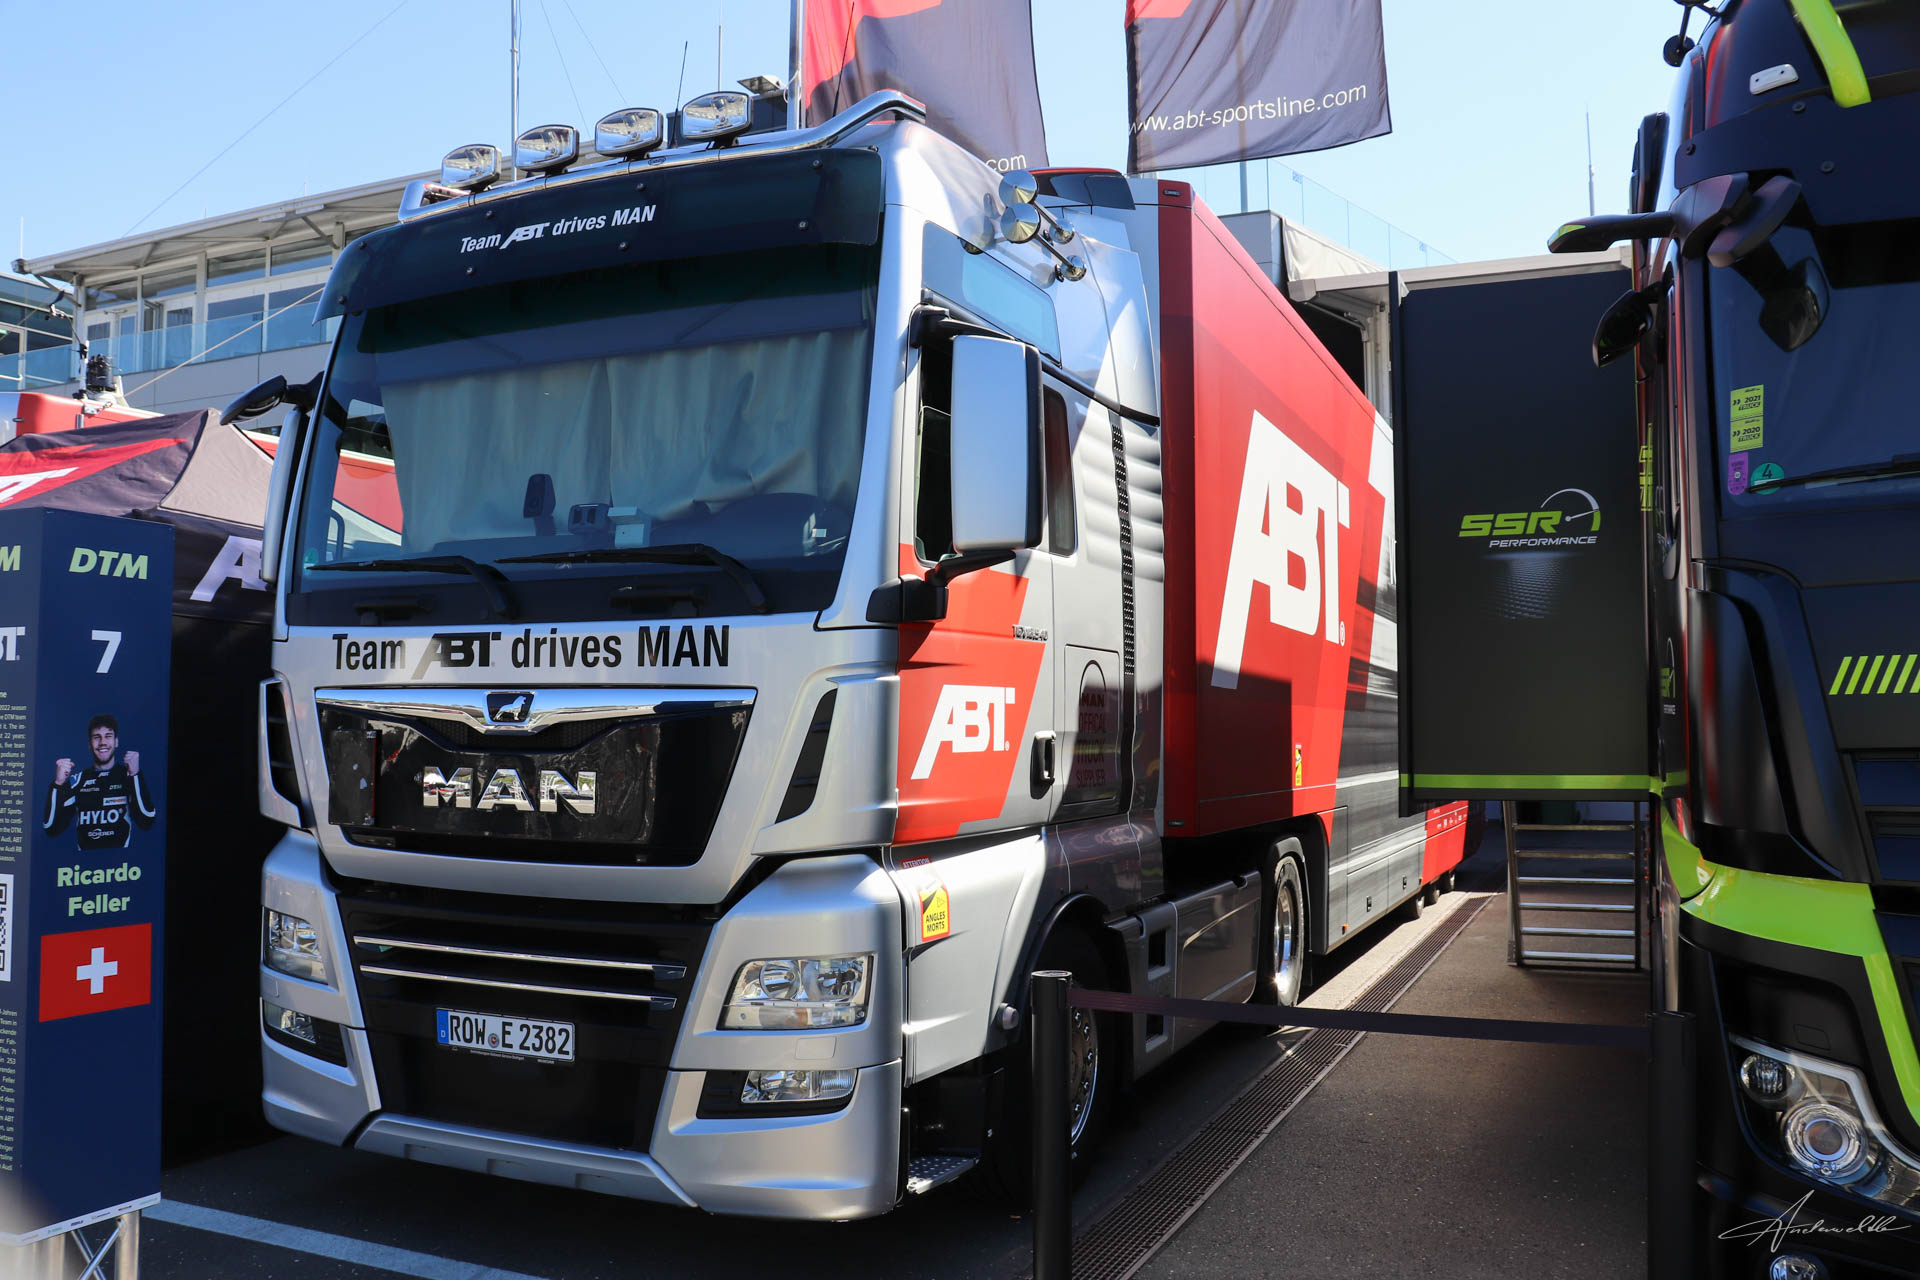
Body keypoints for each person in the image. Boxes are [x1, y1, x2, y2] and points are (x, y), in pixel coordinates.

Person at [44, 713, 157, 852]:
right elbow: (51, 828)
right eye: (96, 737)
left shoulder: (129, 777)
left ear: (116, 741)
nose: (102, 742)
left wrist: (135, 775)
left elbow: (147, 821)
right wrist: (58, 784)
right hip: (84, 864)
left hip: (119, 863)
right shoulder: (78, 780)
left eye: (108, 736)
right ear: (89, 744)